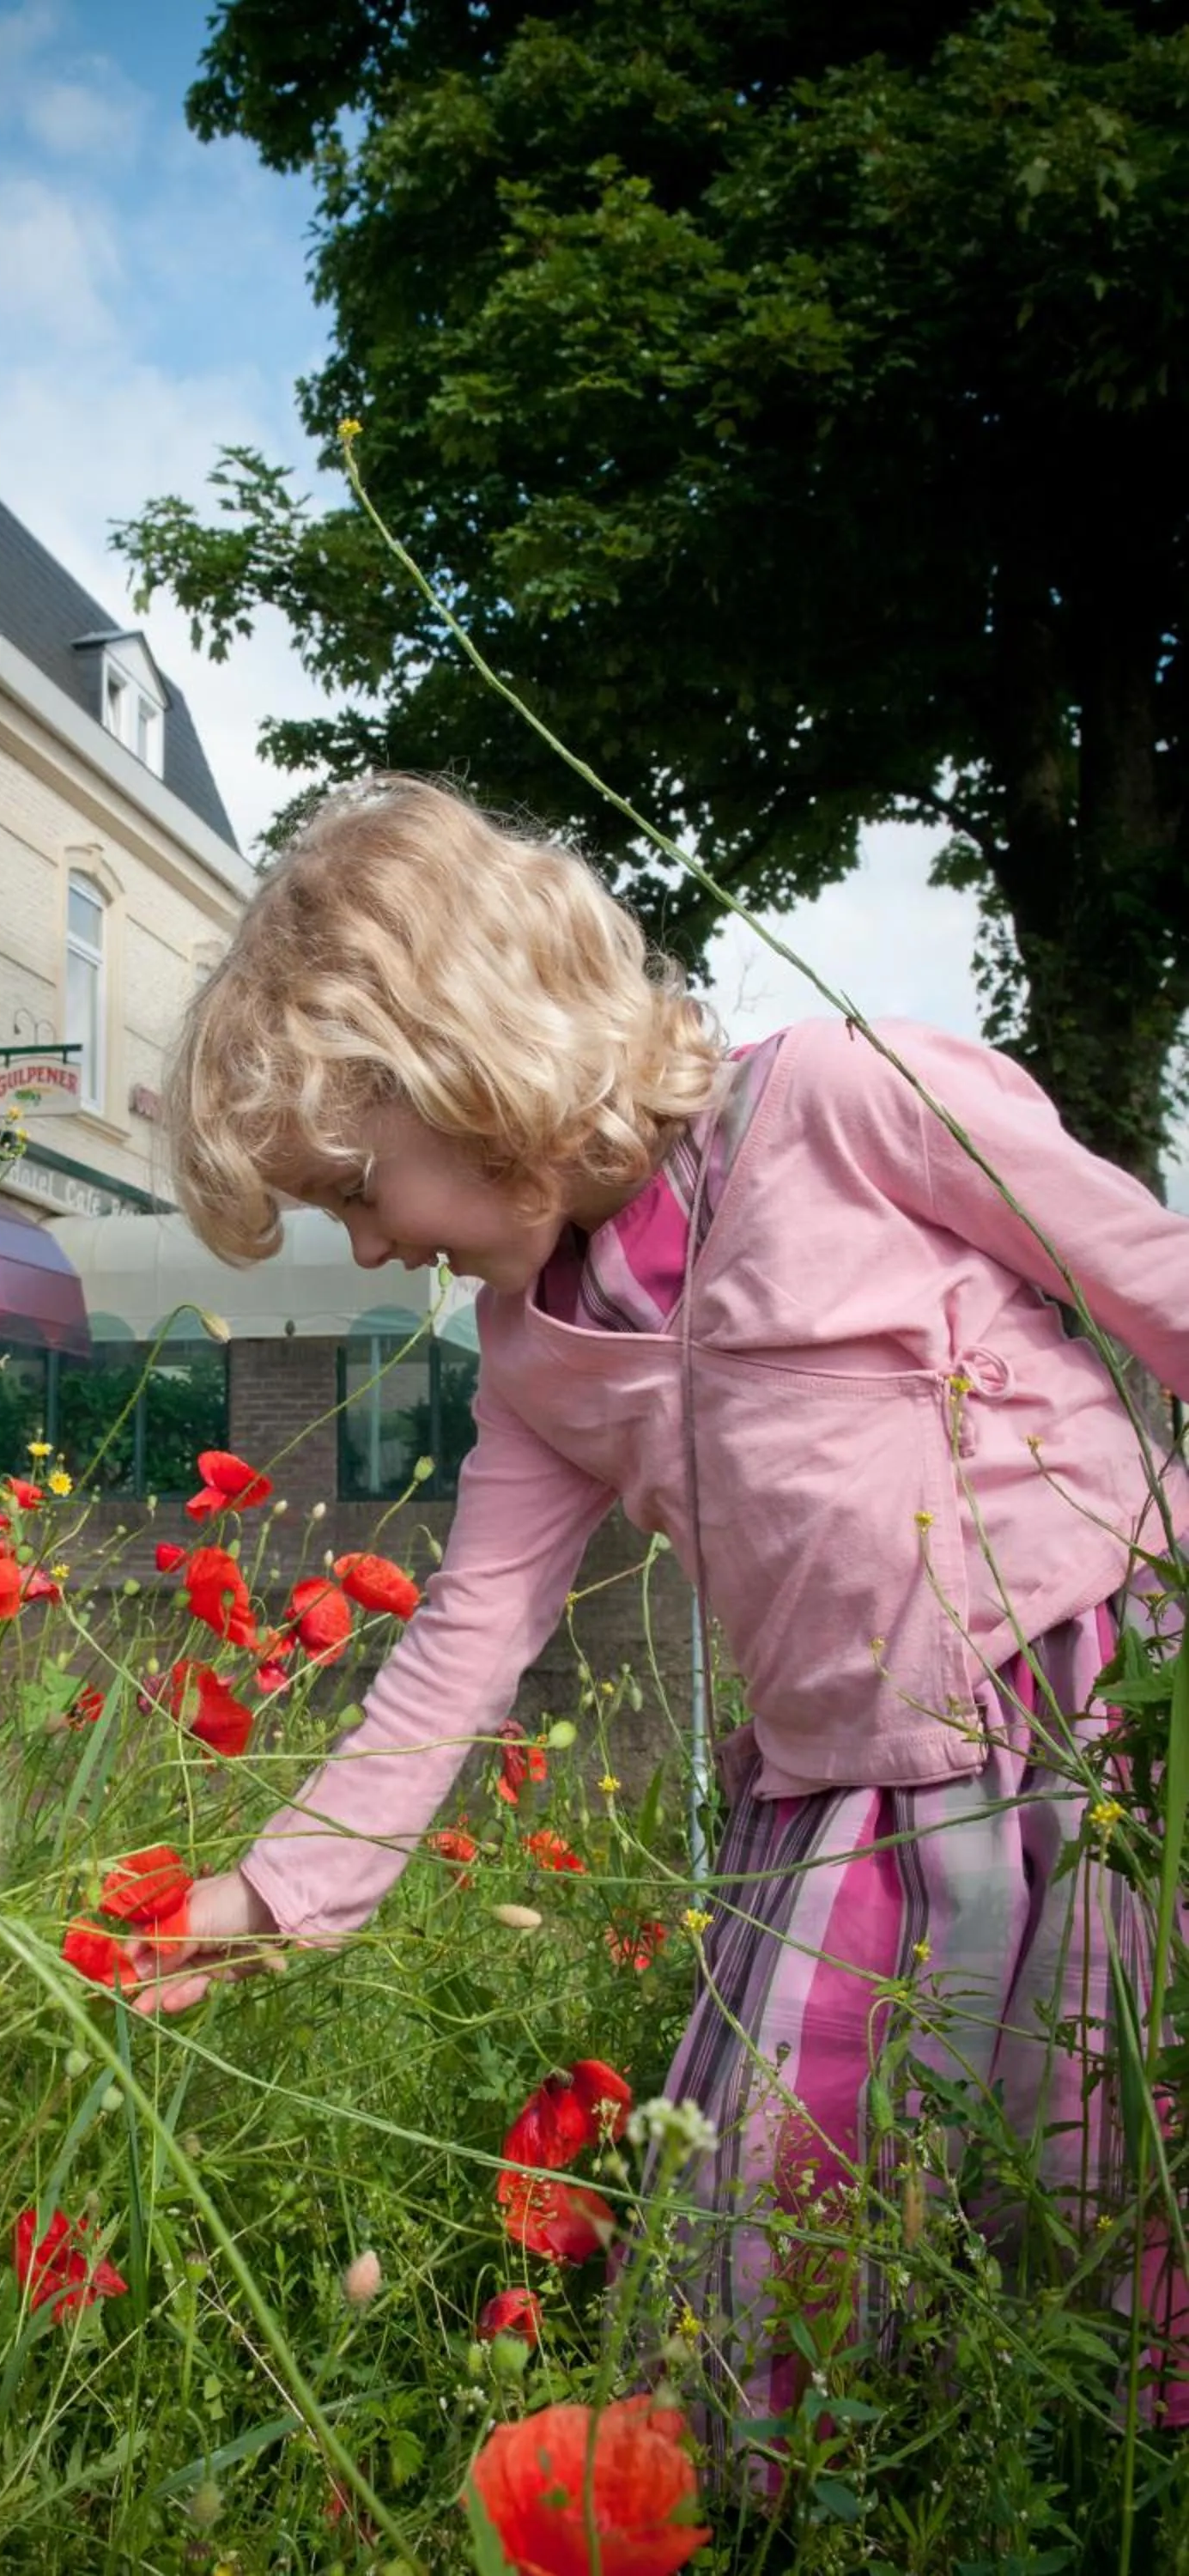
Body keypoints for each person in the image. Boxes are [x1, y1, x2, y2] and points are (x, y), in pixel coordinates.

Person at [134, 770, 1189, 2442]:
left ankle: (1091, 2492)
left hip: (1099, 1720)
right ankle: (750, 2509)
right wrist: (271, 1898)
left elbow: (1154, 1284)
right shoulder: (536, 1353)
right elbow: (465, 1641)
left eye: (356, 1189)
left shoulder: (845, 1099)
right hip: (846, 1794)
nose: (371, 1241)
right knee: (771, 2205)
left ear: (461, 1065)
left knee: (1107, 2171)